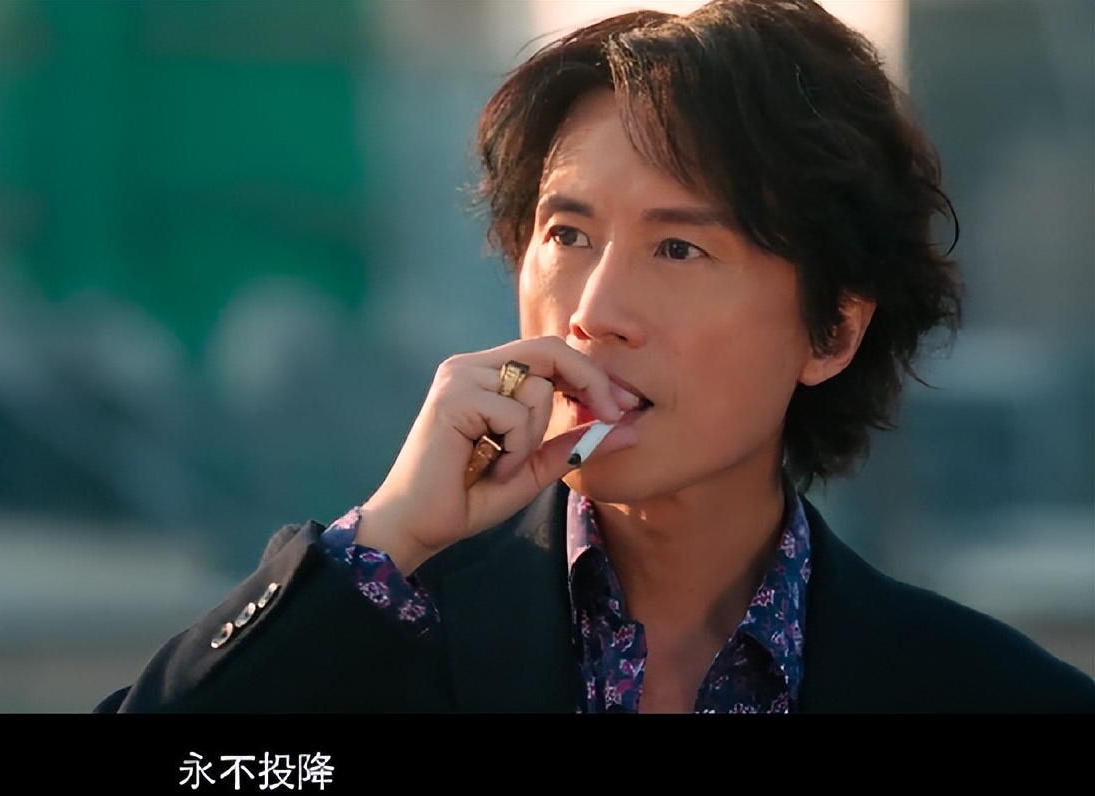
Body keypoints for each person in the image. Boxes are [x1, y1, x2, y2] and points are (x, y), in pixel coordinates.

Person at [97, 0, 1094, 713]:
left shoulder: (988, 691)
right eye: (567, 235)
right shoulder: (377, 627)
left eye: (679, 248)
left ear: (831, 329)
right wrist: (387, 535)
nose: (593, 313)